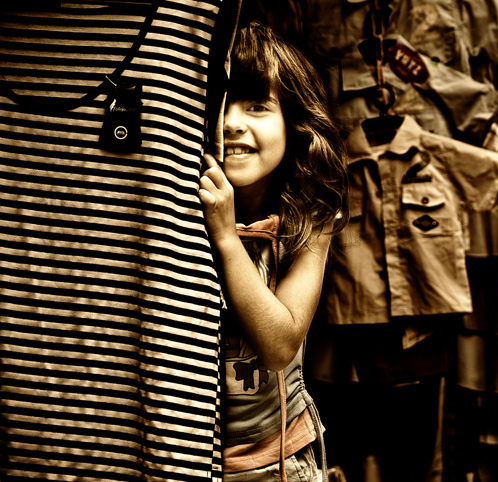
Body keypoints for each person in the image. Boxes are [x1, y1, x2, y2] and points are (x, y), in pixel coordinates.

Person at [199, 21, 348, 482]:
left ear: (294, 123)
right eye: (219, 105)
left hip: (280, 459)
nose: (231, 123)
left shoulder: (311, 218)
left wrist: (227, 237)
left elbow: (280, 345)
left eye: (257, 106)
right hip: (187, 457)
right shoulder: (174, 211)